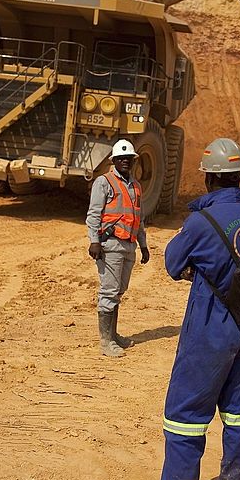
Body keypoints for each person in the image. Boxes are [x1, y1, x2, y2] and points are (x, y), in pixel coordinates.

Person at [160, 137, 240, 480]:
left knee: (184, 417)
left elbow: (172, 263)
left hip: (211, 328)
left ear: (208, 179)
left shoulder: (199, 222)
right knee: (239, 413)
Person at [86, 139, 150, 358]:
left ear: (133, 161)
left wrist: (143, 244)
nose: (125, 161)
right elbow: (94, 214)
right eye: (121, 158)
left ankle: (113, 335)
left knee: (119, 291)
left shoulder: (136, 186)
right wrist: (94, 240)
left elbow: (139, 218)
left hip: (129, 245)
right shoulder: (104, 182)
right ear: (114, 160)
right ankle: (106, 342)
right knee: (109, 292)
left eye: (129, 159)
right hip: (110, 245)